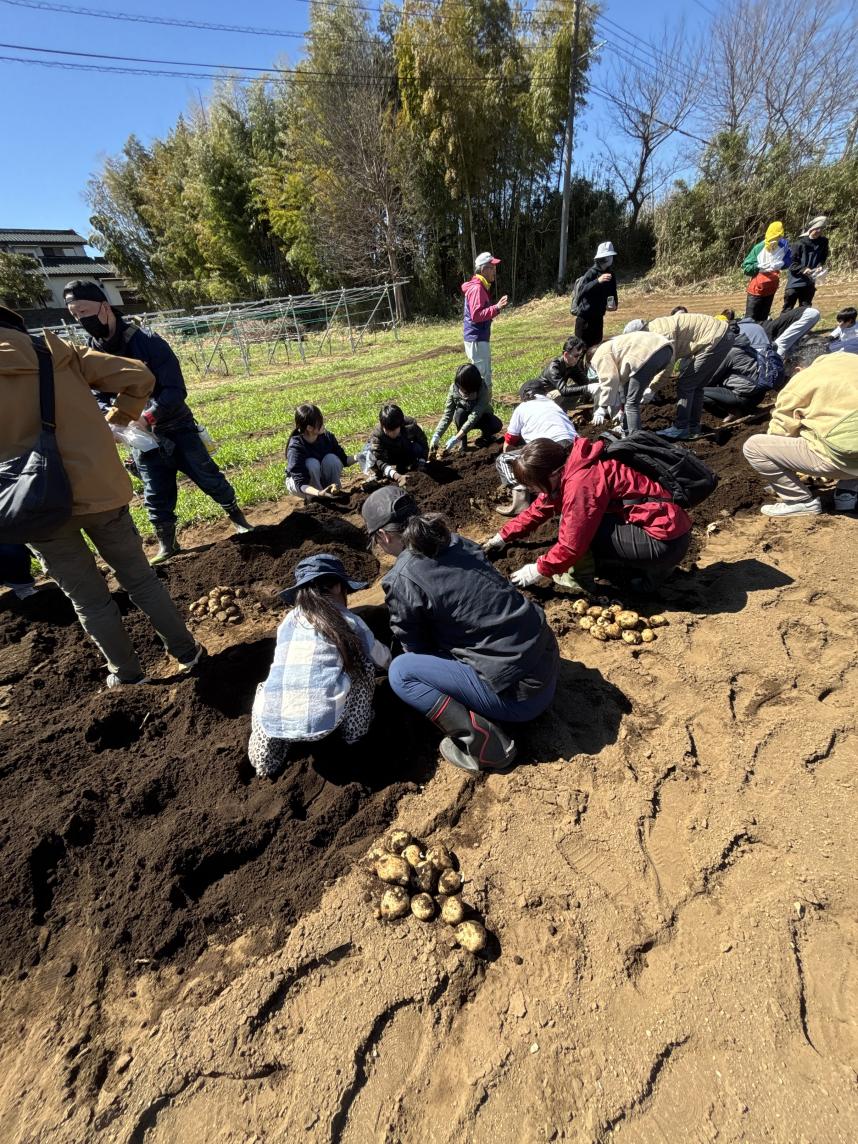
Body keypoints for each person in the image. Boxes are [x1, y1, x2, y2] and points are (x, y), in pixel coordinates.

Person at [0, 303, 202, 687]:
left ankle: (127, 675)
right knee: (140, 580)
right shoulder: (56, 352)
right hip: (100, 490)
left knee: (89, 600)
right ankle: (188, 653)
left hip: (33, 505)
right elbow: (139, 375)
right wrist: (117, 418)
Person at [362, 486, 558, 773]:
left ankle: (488, 747)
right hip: (547, 660)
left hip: (523, 699)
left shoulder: (403, 578)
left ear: (383, 535)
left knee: (402, 672)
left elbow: (416, 649)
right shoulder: (456, 541)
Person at [63, 281, 252, 564]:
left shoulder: (148, 342)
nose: (81, 320)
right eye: (75, 315)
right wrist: (112, 418)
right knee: (155, 492)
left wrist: (148, 416)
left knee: (209, 477)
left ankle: (239, 520)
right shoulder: (92, 353)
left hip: (176, 427)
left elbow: (175, 390)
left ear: (105, 307)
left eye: (84, 311)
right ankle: (168, 544)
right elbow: (97, 394)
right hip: (140, 437)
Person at [483, 437, 692, 592]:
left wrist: (538, 569)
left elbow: (571, 545)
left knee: (574, 526)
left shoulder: (580, 484)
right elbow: (540, 508)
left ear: (552, 474)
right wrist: (502, 537)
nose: (532, 491)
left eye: (533, 485)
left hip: (665, 542)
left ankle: (579, 581)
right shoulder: (573, 463)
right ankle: (644, 567)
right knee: (584, 522)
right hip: (669, 527)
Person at [248, 554, 392, 778]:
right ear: (337, 586)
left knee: (269, 686)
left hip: (274, 722)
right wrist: (394, 663)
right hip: (324, 722)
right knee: (363, 665)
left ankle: (264, 761)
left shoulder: (287, 621)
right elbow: (379, 657)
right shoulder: (348, 620)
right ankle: (355, 732)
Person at [743, 352, 858, 516]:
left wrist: (789, 472)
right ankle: (847, 494)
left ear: (798, 370)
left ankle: (799, 501)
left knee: (754, 447)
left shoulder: (803, 379)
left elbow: (779, 432)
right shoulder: (851, 359)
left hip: (845, 459)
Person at [634, 312, 736, 440]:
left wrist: (652, 388)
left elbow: (668, 365)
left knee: (686, 384)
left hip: (715, 338)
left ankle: (681, 428)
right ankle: (693, 427)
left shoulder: (660, 335)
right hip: (723, 336)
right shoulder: (656, 327)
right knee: (697, 386)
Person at [495, 380, 578, 515]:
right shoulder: (553, 404)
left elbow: (509, 441)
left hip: (548, 448)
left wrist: (517, 469)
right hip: (573, 445)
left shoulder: (522, 407)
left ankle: (521, 500)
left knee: (503, 460)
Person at [590, 331, 674, 435]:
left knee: (631, 403)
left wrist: (602, 407)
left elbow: (610, 379)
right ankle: (626, 429)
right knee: (629, 399)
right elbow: (623, 383)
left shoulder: (598, 355)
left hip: (648, 353)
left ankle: (635, 437)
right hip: (665, 350)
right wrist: (620, 408)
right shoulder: (615, 350)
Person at [428, 363, 502, 455]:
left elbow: (475, 415)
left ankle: (486, 438)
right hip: (464, 418)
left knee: (496, 424)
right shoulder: (454, 389)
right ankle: (463, 443)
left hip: (481, 417)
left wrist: (456, 438)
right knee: (459, 413)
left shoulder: (482, 388)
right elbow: (447, 415)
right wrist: (437, 435)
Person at [461, 251, 509, 392]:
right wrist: (496, 307)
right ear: (483, 270)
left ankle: (484, 401)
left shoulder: (480, 286)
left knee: (483, 372)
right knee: (482, 375)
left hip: (478, 337)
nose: (494, 271)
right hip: (477, 338)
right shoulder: (477, 288)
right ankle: (483, 402)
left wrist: (495, 308)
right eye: (492, 268)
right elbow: (476, 315)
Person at [286, 403, 356, 499]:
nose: (323, 425)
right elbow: (300, 483)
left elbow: (344, 460)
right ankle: (315, 499)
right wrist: (319, 493)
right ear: (309, 428)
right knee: (312, 464)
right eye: (320, 423)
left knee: (332, 459)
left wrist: (360, 456)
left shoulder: (327, 437)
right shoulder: (296, 446)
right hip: (301, 486)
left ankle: (334, 492)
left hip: (319, 479)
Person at [363, 403, 428, 486]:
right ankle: (378, 475)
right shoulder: (377, 435)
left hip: (405, 452)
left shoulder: (410, 425)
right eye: (388, 431)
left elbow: (423, 443)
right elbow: (379, 460)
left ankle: (410, 465)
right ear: (383, 426)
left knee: (417, 447)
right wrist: (397, 476)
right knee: (368, 453)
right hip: (388, 457)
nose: (391, 434)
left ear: (400, 425)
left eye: (394, 431)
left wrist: (422, 462)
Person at [571, 241, 618, 347]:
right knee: (580, 349)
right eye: (610, 256)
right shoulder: (591, 273)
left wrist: (614, 305)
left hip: (598, 319)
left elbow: (612, 293)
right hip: (585, 320)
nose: (611, 259)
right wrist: (598, 281)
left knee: (595, 349)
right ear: (604, 258)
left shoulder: (611, 275)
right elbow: (582, 291)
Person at [742, 222, 792, 321]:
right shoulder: (759, 248)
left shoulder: (784, 246)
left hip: (771, 287)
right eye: (774, 237)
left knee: (764, 317)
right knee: (750, 318)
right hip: (757, 288)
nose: (776, 239)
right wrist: (757, 266)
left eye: (779, 237)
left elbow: (789, 260)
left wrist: (782, 264)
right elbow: (746, 267)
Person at [536, 335, 598, 409]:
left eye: (580, 356)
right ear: (566, 355)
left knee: (581, 387)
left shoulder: (572, 365)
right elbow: (564, 390)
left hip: (558, 391)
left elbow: (584, 382)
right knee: (560, 394)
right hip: (542, 396)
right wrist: (588, 388)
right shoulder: (553, 367)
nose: (578, 359)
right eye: (576, 356)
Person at [782, 216, 829, 312]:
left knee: (805, 309)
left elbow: (823, 257)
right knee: (788, 309)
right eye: (817, 229)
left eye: (821, 229)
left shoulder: (823, 242)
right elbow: (791, 264)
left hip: (809, 281)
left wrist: (819, 265)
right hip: (795, 281)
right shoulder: (799, 244)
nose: (819, 231)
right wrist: (803, 269)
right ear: (811, 229)